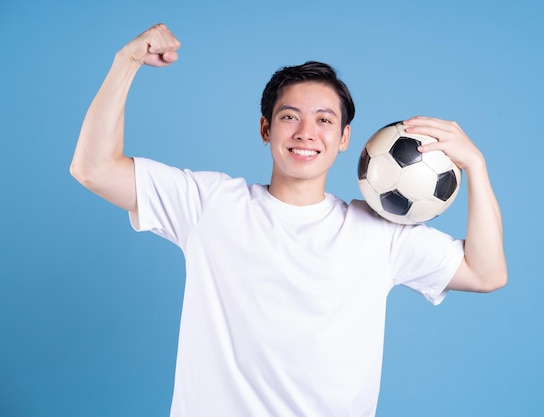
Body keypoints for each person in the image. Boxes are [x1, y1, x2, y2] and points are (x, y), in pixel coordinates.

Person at [70, 23, 507, 417]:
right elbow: (94, 168)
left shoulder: (379, 234)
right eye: (289, 117)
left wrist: (477, 167)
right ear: (266, 129)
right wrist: (125, 62)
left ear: (344, 139)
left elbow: (486, 273)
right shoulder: (210, 204)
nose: (305, 133)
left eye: (323, 120)